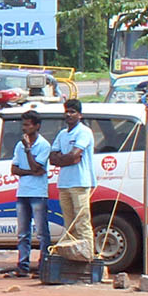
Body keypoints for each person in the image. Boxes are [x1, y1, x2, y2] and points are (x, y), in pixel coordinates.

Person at [47, 97, 101, 281]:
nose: (69, 115)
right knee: (69, 224)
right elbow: (53, 158)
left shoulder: (84, 132)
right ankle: (72, 261)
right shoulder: (62, 134)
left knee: (82, 221)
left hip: (80, 182)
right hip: (64, 183)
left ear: (80, 114)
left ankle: (89, 260)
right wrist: (66, 158)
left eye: (73, 112)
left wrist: (66, 158)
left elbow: (74, 156)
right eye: (67, 111)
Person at [9, 109, 53, 278]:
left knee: (42, 232)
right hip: (23, 192)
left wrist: (28, 152)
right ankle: (23, 266)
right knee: (22, 233)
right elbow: (14, 169)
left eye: (27, 125)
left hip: (38, 193)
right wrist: (29, 171)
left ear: (37, 126)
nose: (24, 128)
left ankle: (44, 266)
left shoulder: (43, 145)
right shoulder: (20, 145)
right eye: (24, 124)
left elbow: (38, 168)